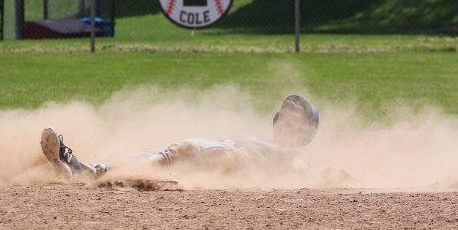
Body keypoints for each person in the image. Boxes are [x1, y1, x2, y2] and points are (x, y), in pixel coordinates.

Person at [40, 95, 320, 181]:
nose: (284, 124)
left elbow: (302, 174)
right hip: (225, 153)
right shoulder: (264, 142)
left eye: (292, 122)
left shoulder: (296, 153)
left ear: (304, 134)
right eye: (282, 118)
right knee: (152, 155)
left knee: (179, 150)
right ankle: (88, 168)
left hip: (232, 158)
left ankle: (94, 173)